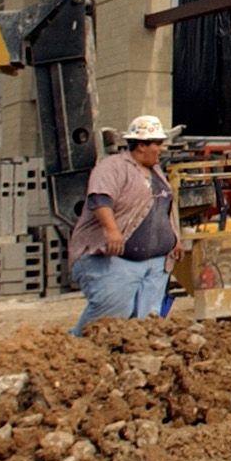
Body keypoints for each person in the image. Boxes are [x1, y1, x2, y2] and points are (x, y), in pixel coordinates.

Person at [66, 115, 180, 336]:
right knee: (112, 315)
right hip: (114, 260)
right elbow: (100, 199)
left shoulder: (156, 172)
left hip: (156, 263)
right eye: (156, 143)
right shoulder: (113, 167)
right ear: (140, 145)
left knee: (148, 321)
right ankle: (77, 349)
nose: (161, 148)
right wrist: (112, 231)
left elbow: (163, 207)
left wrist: (174, 238)